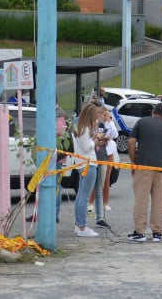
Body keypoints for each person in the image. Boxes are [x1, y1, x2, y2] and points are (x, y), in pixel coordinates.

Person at [127, 102, 162, 242]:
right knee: (159, 202)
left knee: (141, 201)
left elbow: (131, 142)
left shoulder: (142, 122)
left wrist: (133, 161)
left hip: (144, 167)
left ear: (152, 112)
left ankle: (140, 232)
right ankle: (157, 233)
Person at [72, 102, 104, 237]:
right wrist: (96, 140)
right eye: (96, 114)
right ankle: (82, 226)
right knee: (84, 196)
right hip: (89, 163)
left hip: (81, 163)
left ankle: (78, 224)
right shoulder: (85, 129)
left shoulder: (78, 128)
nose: (97, 117)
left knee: (81, 195)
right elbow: (87, 147)